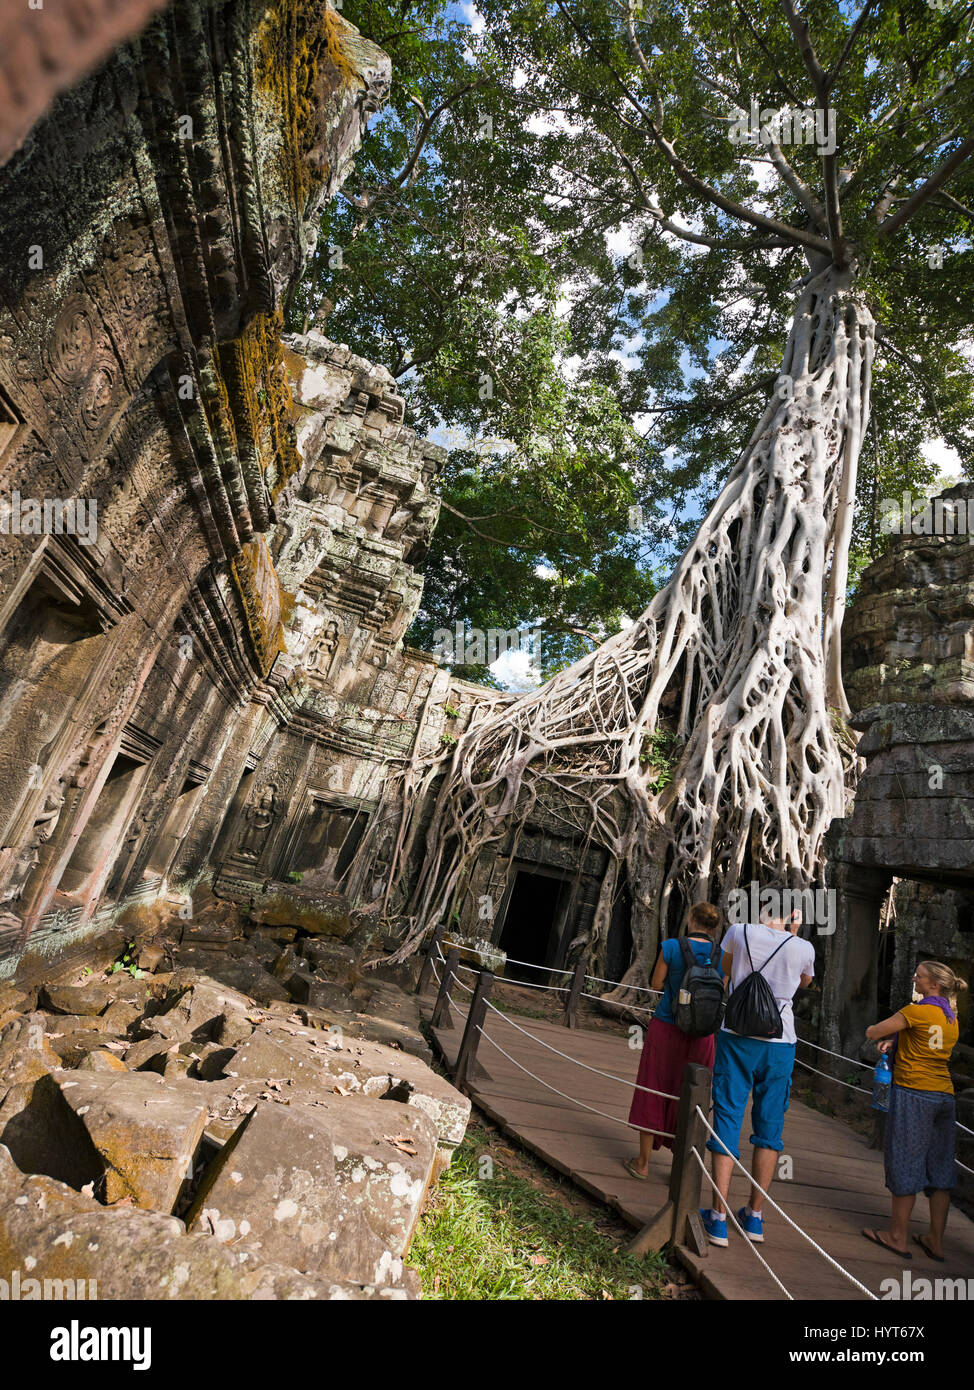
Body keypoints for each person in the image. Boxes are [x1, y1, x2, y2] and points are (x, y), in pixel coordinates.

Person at [700, 890, 815, 1245]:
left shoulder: (739, 931)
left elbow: (724, 969)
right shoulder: (803, 948)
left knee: (728, 1117)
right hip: (780, 1043)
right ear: (791, 915)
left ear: (762, 909)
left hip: (736, 1037)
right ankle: (755, 1217)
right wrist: (793, 936)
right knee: (769, 1127)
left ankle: (718, 1217)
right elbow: (804, 983)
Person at [862, 960, 966, 1261]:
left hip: (914, 1094)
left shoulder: (915, 1011)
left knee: (905, 1160)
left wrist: (887, 1033)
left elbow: (872, 1031)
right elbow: (925, 1041)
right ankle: (935, 1239)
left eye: (919, 976)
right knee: (941, 1167)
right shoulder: (951, 1017)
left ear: (933, 984)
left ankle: (897, 1236)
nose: (915, 979)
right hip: (944, 1097)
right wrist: (897, 1039)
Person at [624, 902, 722, 1179]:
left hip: (667, 1026)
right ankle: (680, 1171)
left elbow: (656, 984)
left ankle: (642, 1164)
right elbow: (721, 990)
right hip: (703, 1035)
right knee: (693, 1097)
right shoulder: (722, 955)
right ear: (714, 927)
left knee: (653, 1087)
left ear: (691, 919)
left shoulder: (670, 947)